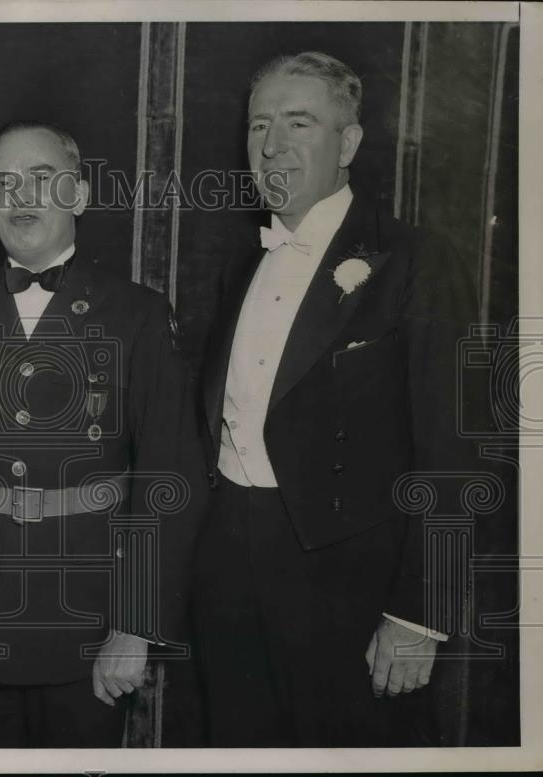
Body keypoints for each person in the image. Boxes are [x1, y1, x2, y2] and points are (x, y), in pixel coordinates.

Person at [0, 122, 200, 747]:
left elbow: (171, 478)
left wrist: (135, 626)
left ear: (79, 195)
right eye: (3, 181)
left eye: (42, 178)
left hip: (87, 624)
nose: (20, 195)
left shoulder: (137, 315)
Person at [191, 51, 476, 746]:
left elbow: (456, 447)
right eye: (259, 125)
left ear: (347, 143)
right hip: (228, 569)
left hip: (351, 586)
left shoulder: (414, 259)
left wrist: (419, 614)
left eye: (298, 122)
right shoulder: (238, 260)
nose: (272, 145)